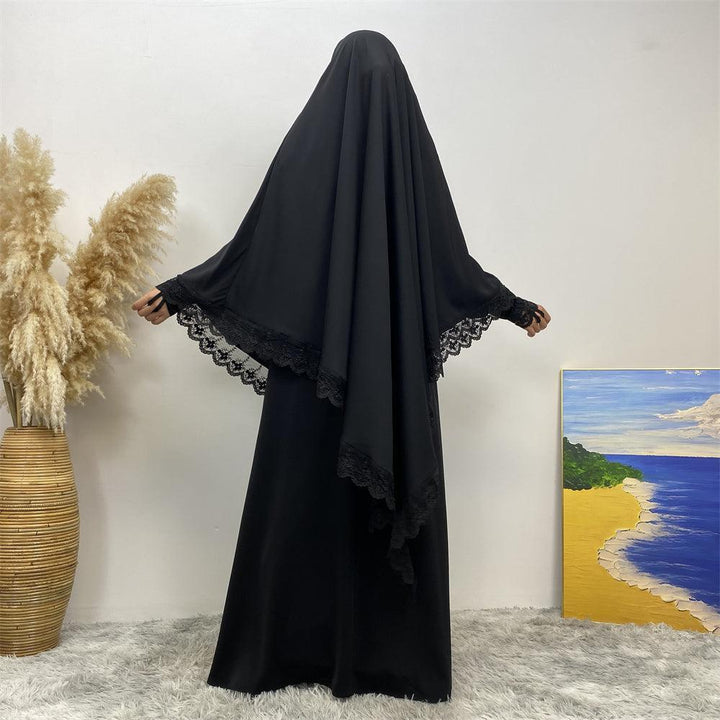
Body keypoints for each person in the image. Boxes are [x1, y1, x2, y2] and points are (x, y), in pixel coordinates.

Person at [131, 29, 550, 704]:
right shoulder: (404, 168)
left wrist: (512, 306)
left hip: (314, 378)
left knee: (302, 508)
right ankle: (384, 661)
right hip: (374, 381)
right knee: (319, 506)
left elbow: (259, 250)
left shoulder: (332, 161)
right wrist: (182, 292)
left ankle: (303, 653)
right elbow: (442, 263)